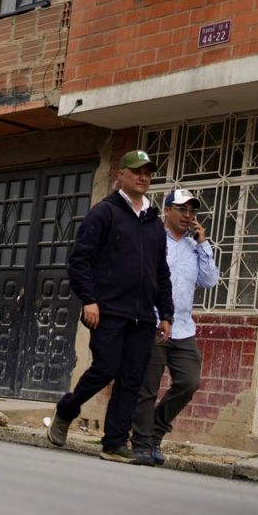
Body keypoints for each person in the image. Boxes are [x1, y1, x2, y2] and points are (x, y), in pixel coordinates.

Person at [46, 149, 174, 464]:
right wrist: (89, 299)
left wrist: (167, 313)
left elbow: (161, 272)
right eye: (137, 171)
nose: (144, 177)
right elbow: (80, 260)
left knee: (131, 379)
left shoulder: (155, 223)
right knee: (105, 368)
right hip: (108, 310)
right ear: (121, 174)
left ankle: (114, 443)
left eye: (148, 173)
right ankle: (67, 409)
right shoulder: (104, 212)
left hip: (143, 316)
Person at [131, 189, 219, 465]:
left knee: (189, 382)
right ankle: (142, 445)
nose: (187, 216)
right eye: (182, 209)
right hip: (155, 323)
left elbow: (209, 281)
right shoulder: (155, 241)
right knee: (148, 387)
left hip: (183, 328)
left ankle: (155, 431)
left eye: (192, 211)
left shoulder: (194, 248)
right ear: (167, 211)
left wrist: (203, 243)